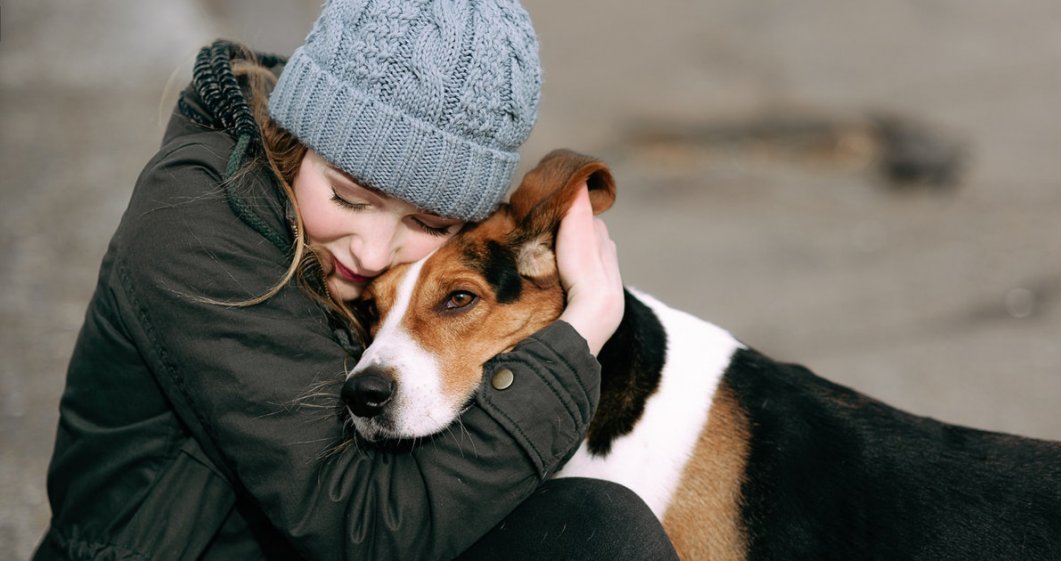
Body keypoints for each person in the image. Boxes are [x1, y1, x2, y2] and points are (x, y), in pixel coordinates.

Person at [32, 1, 680, 560]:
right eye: (349, 198)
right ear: (299, 138)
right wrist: (588, 319)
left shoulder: (357, 254)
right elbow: (363, 529)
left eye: (426, 220)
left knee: (594, 525)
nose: (372, 252)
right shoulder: (195, 230)